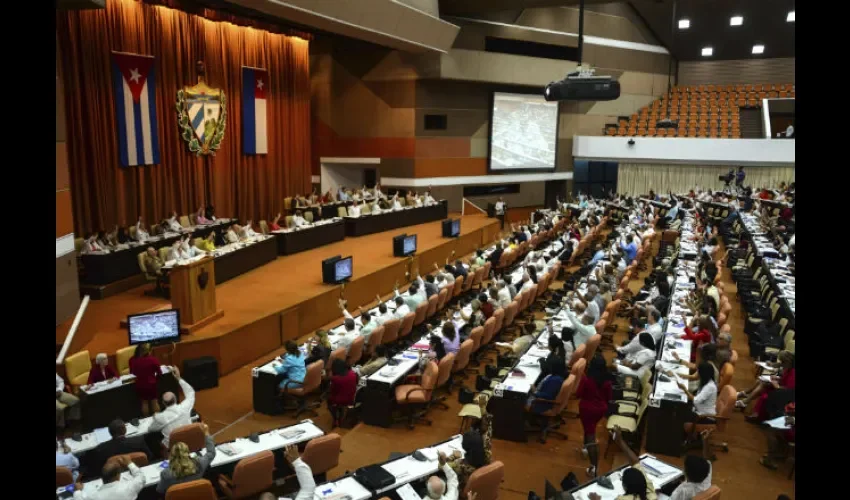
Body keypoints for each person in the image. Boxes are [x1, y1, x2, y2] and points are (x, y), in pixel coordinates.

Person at [577, 355, 613, 478]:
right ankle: (585, 448)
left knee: (591, 434)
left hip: (587, 409)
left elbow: (579, 394)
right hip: (600, 410)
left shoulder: (587, 380)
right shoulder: (607, 381)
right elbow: (608, 398)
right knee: (589, 429)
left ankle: (594, 467)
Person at [157, 423, 217, 495]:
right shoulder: (199, 463)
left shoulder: (166, 473)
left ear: (171, 455)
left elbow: (160, 490)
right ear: (188, 452)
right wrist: (206, 433)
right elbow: (211, 453)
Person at [448, 395, 492, 490]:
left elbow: (444, 466)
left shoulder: (463, 466)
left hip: (466, 488)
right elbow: (488, 426)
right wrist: (482, 407)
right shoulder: (486, 447)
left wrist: (452, 457)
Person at [738, 351, 795, 422]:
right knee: (762, 382)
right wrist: (777, 378)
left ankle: (746, 401)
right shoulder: (787, 367)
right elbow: (784, 378)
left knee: (764, 388)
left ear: (787, 362)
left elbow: (789, 389)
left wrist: (776, 385)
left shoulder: (793, 372)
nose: (782, 364)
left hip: (786, 394)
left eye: (783, 362)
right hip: (781, 388)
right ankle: (745, 401)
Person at [88, 419, 153, 480]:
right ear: (125, 430)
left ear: (110, 433)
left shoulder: (101, 449)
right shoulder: (139, 441)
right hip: (139, 473)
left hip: (112, 478)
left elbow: (99, 469)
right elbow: (149, 457)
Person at [148, 366, 196, 448]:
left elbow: (150, 429)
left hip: (173, 449)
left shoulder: (160, 417)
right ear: (176, 399)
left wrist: (154, 417)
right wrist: (178, 378)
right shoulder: (185, 406)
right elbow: (190, 392)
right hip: (190, 443)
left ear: (163, 403)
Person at [72, 455, 144, 500]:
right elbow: (141, 477)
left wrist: (77, 491)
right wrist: (129, 463)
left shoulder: (94, 496)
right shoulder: (130, 487)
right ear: (118, 476)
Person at [128, 343, 161, 417]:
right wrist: (155, 379)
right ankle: (159, 419)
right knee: (154, 402)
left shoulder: (133, 361)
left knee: (144, 403)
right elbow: (159, 373)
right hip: (151, 384)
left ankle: (147, 419)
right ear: (148, 351)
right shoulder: (153, 359)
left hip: (140, 385)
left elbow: (132, 373)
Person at [328, 358, 358, 428]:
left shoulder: (335, 378)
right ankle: (341, 412)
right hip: (352, 398)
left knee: (329, 401)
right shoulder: (352, 373)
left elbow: (333, 392)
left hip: (340, 400)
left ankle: (335, 419)